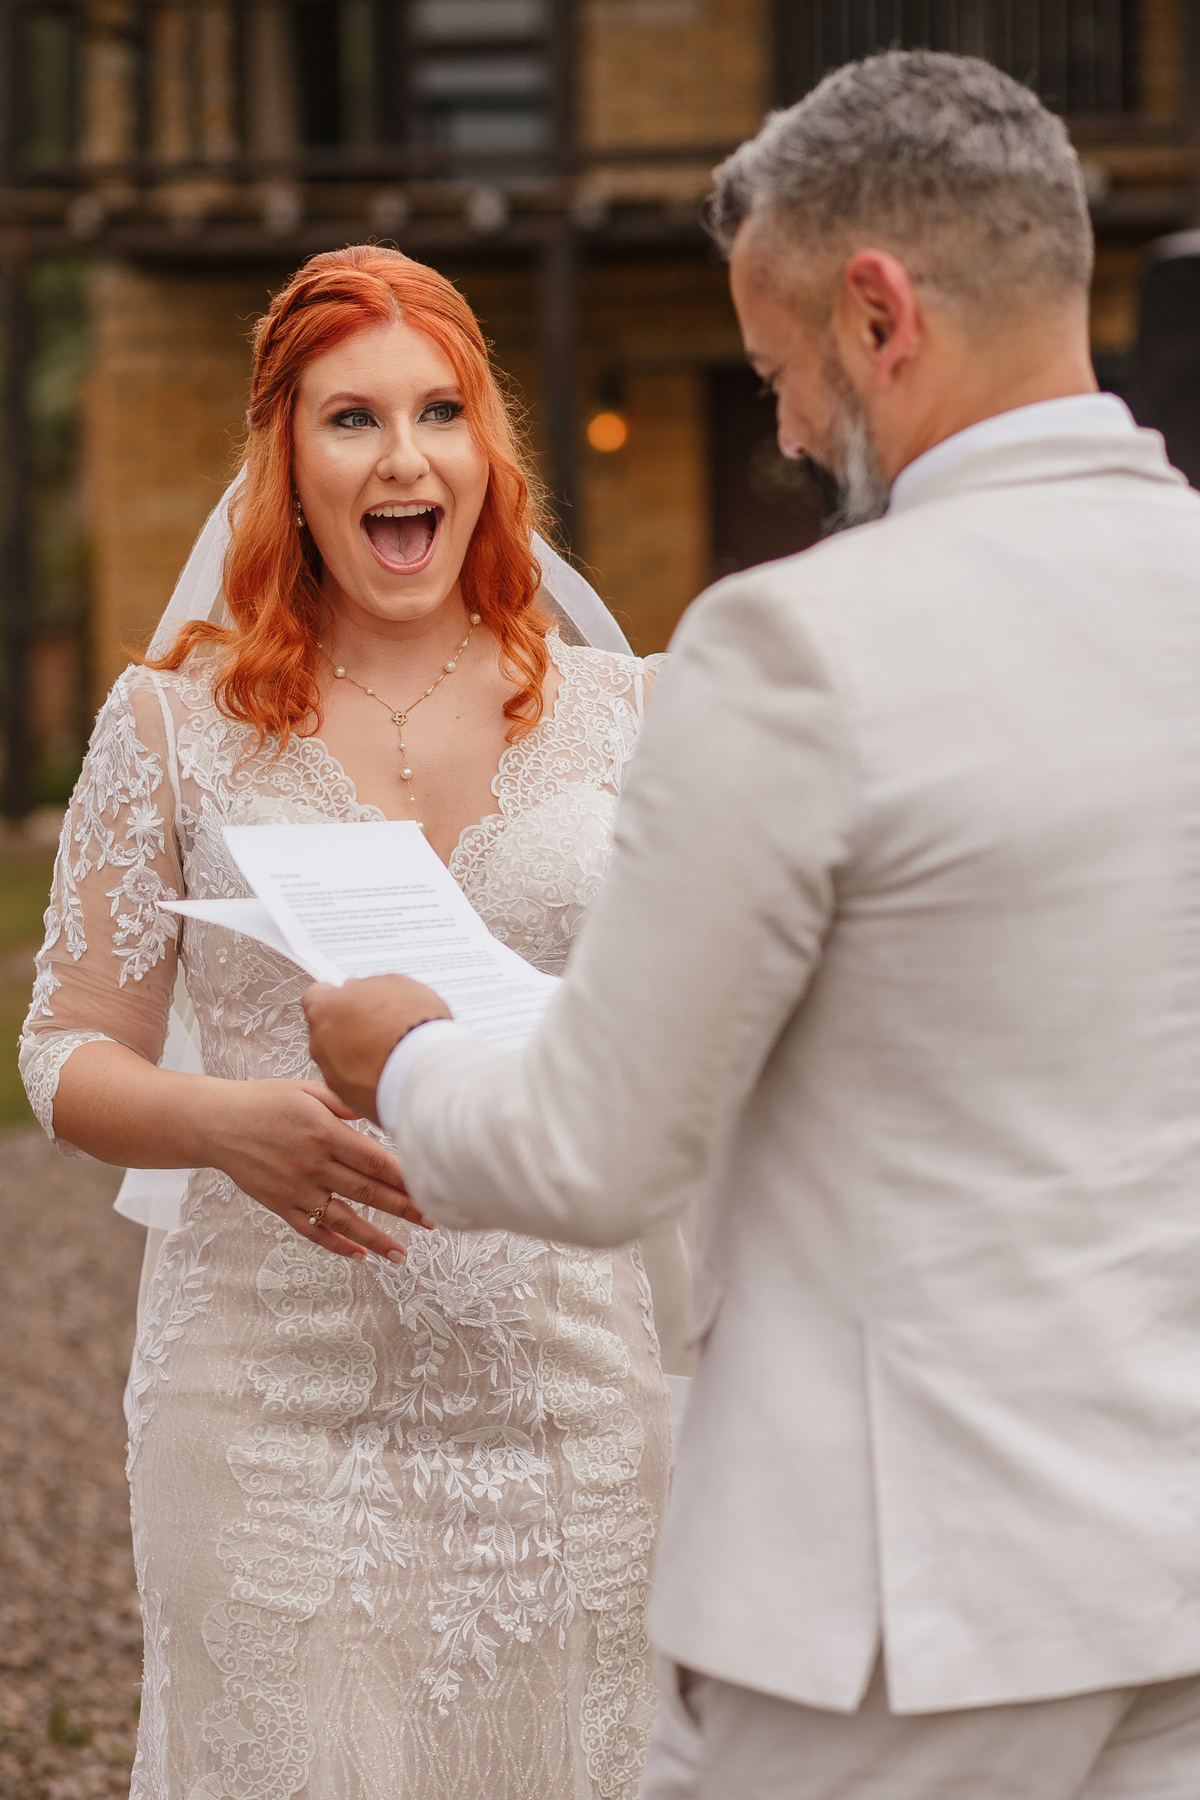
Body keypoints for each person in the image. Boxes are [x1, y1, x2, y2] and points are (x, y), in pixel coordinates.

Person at [305, 52, 1200, 1800]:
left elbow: (588, 1150)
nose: (782, 428)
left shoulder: (798, 648)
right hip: (1171, 1573)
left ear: (879, 314)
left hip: (892, 1620)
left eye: (779, 369)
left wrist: (400, 1049)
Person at [20, 245, 688, 1800]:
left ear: (489, 453)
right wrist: (219, 1125)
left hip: (566, 1396)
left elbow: (687, 1035)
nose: (405, 457)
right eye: (352, 419)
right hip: (265, 1402)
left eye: (443, 411)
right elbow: (64, 1049)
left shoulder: (626, 714)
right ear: (284, 460)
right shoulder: (172, 726)